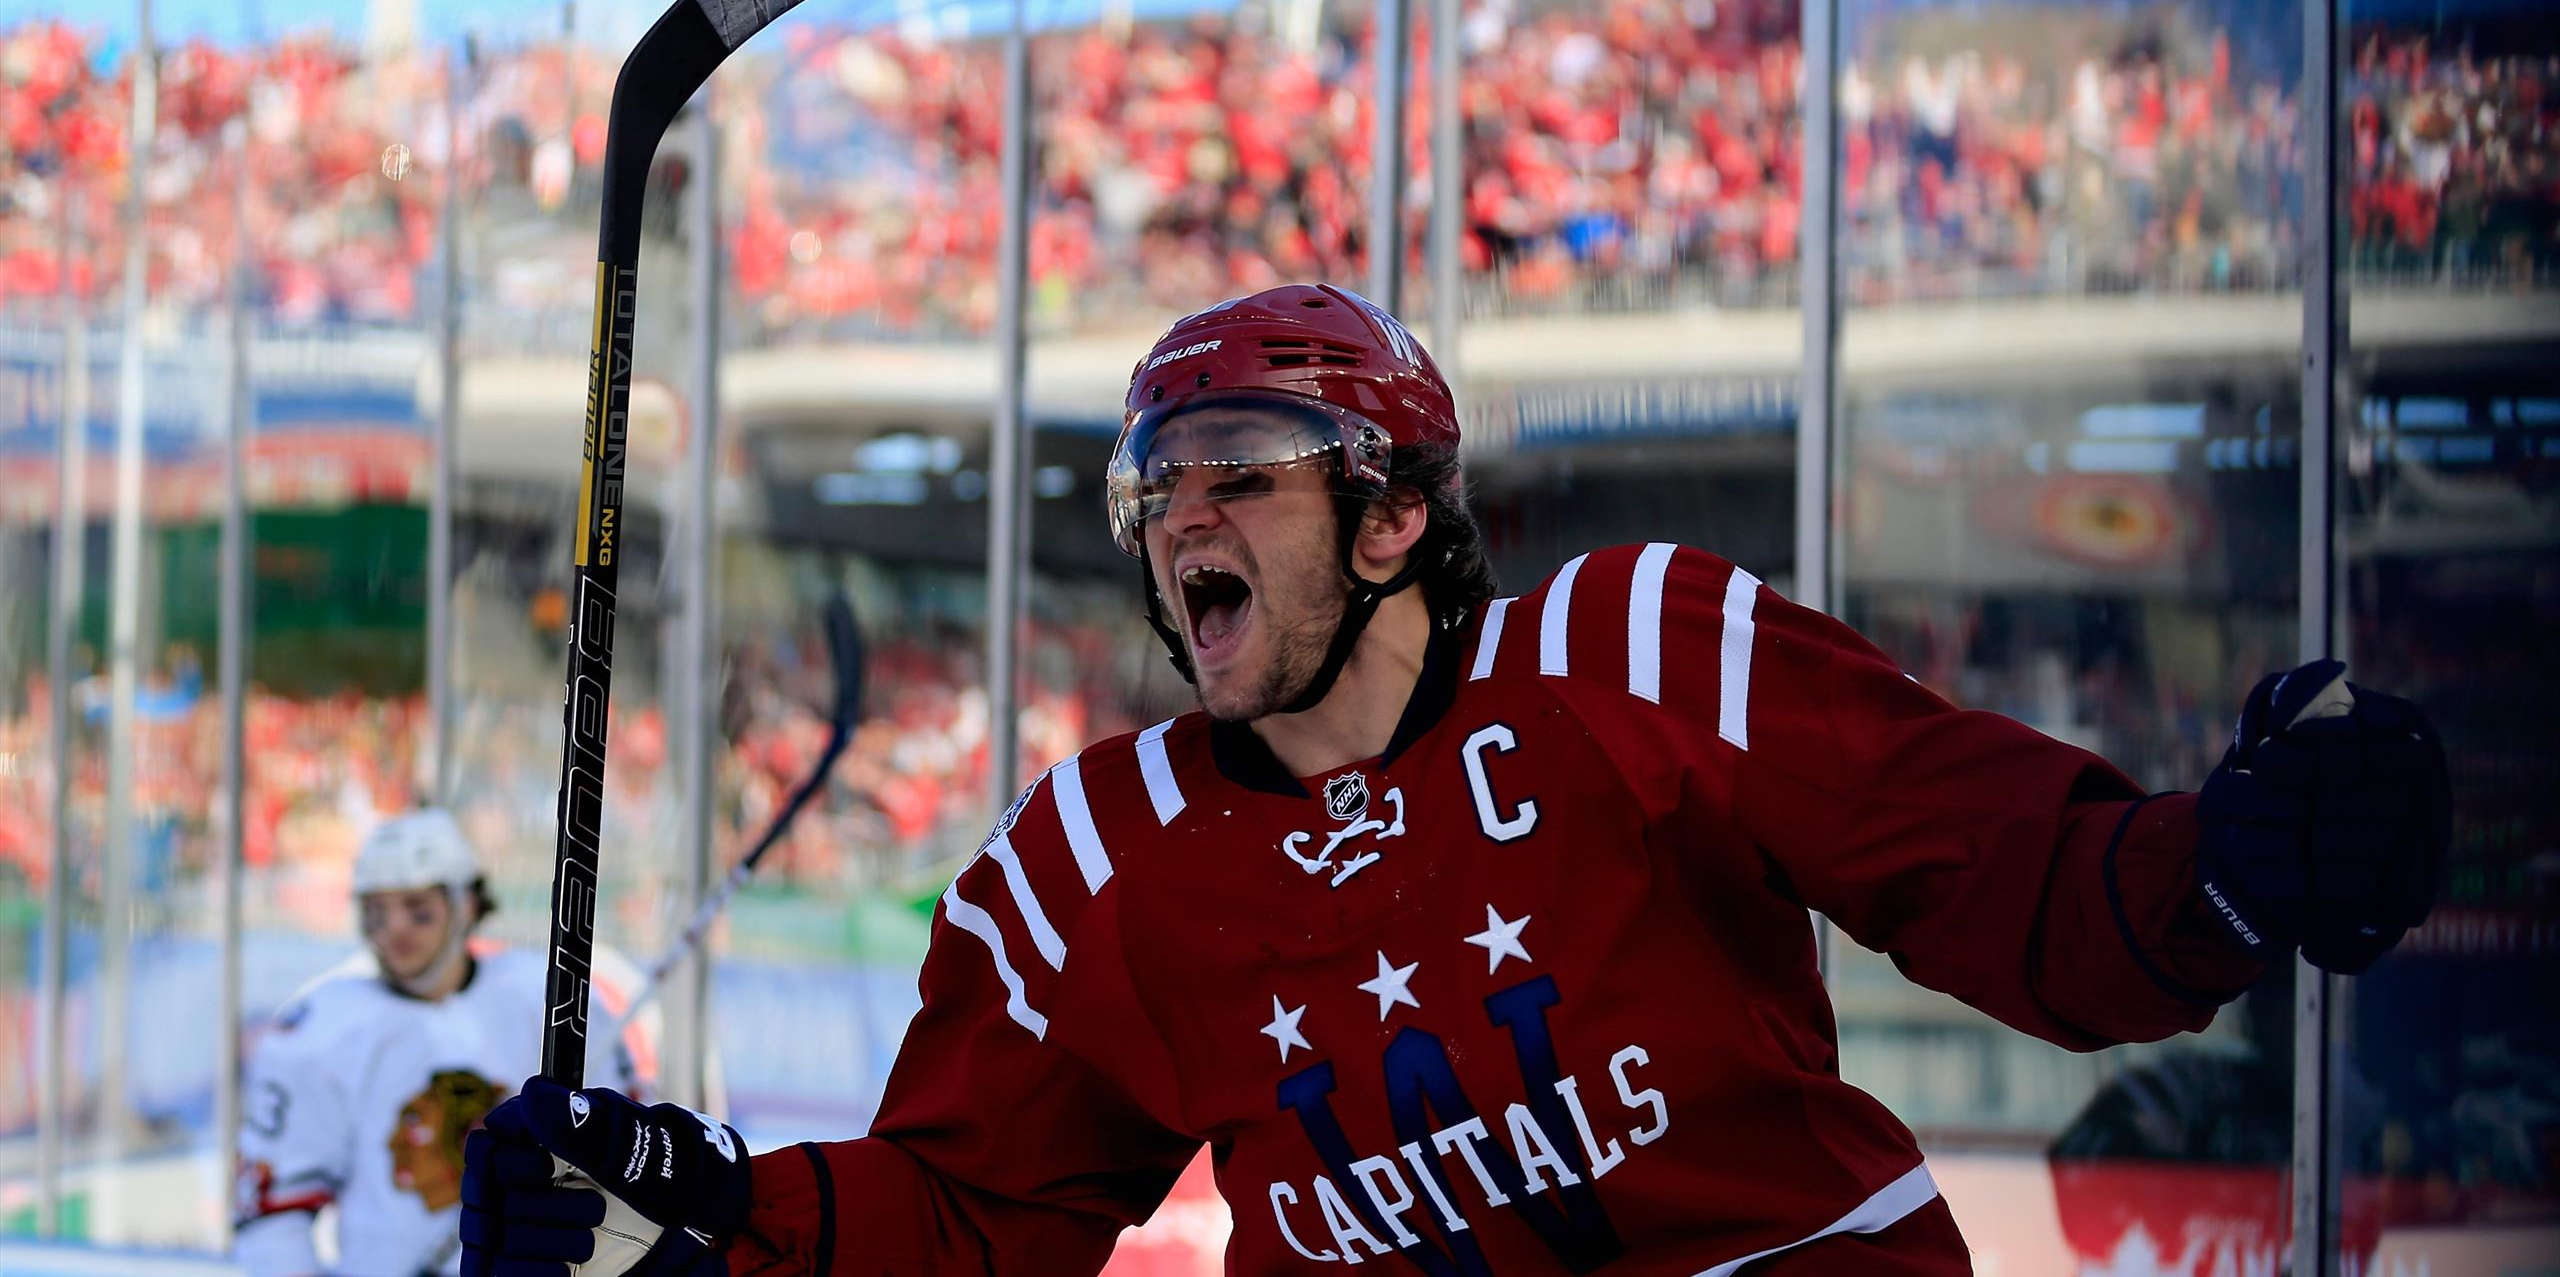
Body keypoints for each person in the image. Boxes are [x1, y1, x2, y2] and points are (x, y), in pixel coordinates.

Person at [458, 284, 2448, 1276]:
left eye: (1235, 471)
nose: (1178, 518)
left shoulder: (1634, 652)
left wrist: (2221, 869)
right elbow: (976, 1214)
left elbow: (2006, 878)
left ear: (1395, 515)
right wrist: (700, 1216)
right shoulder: (1094, 860)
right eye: (1154, 488)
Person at [236, 808, 636, 1277]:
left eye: (418, 910)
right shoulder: (321, 1030)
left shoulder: (549, 1000)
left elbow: (630, 1163)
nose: (395, 929)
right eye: (377, 912)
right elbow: (271, 1217)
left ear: (466, 904)